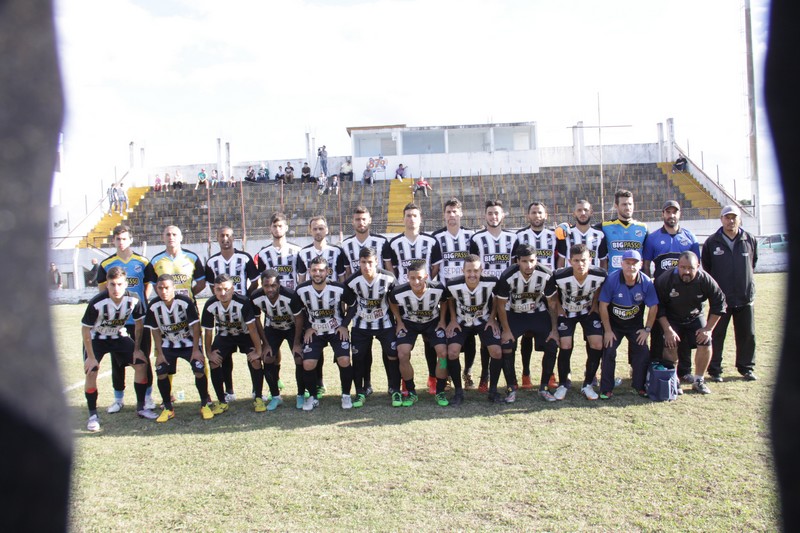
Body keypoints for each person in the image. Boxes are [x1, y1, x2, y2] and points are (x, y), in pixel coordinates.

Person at [81, 266, 156, 431]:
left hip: (117, 335)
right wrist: (91, 357)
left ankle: (141, 407)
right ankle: (93, 415)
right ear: (107, 284)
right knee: (92, 370)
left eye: (120, 284)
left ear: (126, 283)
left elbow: (138, 325)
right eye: (112, 284)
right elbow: (86, 329)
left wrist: (136, 349)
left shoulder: (134, 299)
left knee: (141, 363)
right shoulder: (97, 302)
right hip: (96, 338)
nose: (116, 288)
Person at [145, 274, 221, 422]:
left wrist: (196, 350)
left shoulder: (185, 302)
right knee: (161, 371)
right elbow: (155, 331)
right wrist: (159, 353)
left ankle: (205, 404)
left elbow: (195, 326)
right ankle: (168, 408)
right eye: (160, 288)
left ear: (173, 288)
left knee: (199, 369)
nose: (163, 291)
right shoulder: (153, 306)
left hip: (189, 343)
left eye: (167, 287)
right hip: (168, 344)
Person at [96, 224, 155, 413]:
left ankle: (147, 396)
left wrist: (140, 305)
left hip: (139, 319)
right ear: (113, 240)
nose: (121, 242)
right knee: (117, 360)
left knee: (143, 358)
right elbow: (102, 291)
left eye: (124, 239)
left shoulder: (142, 262)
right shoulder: (106, 264)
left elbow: (148, 286)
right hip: (117, 321)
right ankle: (118, 399)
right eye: (117, 239)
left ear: (130, 239)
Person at [642, 200, 701, 381]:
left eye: (674, 212)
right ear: (663, 215)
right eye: (668, 212)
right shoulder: (652, 238)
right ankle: (655, 366)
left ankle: (684, 370)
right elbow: (645, 265)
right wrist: (649, 287)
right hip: (662, 292)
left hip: (685, 292)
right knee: (660, 332)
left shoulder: (690, 237)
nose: (671, 215)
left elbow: (697, 266)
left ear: (679, 214)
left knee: (682, 330)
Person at [494, 244, 560, 402]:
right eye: (524, 261)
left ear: (536, 259)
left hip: (536, 313)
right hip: (514, 313)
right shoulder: (508, 275)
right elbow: (501, 305)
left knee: (552, 343)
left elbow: (552, 303)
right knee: (506, 344)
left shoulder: (546, 274)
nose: (529, 265)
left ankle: (544, 387)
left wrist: (554, 329)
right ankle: (511, 387)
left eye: (532, 260)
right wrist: (506, 330)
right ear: (518, 261)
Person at [656, 252, 727, 395]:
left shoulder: (705, 280)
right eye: (683, 267)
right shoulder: (666, 279)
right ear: (677, 266)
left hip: (695, 316)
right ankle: (673, 379)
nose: (686, 271)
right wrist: (668, 330)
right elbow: (658, 308)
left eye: (691, 268)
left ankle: (699, 380)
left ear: (698, 266)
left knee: (706, 341)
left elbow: (719, 304)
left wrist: (708, 329)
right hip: (671, 318)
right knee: (670, 342)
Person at [701, 205, 759, 382]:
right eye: (727, 217)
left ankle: (746, 368)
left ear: (739, 219)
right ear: (721, 219)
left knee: (747, 335)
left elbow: (753, 262)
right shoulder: (712, 242)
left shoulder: (749, 239)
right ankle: (715, 369)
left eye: (734, 217)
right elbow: (707, 268)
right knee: (717, 335)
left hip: (744, 296)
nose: (731, 220)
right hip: (721, 300)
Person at [544, 243, 607, 401]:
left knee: (597, 344)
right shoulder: (559, 275)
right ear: (570, 261)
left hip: (587, 312)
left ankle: (587, 384)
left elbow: (601, 288)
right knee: (565, 344)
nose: (581, 264)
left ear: (590, 260)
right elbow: (552, 294)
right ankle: (563, 384)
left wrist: (594, 305)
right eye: (576, 260)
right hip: (567, 312)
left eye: (584, 260)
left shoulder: (600, 274)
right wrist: (558, 307)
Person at [205, 226, 260, 401]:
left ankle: (256, 392)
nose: (225, 238)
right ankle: (229, 392)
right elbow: (209, 285)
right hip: (224, 326)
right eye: (221, 236)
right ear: (217, 238)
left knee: (254, 357)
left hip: (243, 315)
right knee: (223, 357)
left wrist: (245, 298)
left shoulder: (244, 258)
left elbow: (254, 282)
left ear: (233, 238)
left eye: (228, 235)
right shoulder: (212, 262)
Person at [469, 199, 517, 391]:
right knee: (486, 338)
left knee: (505, 336)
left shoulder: (513, 238)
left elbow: (515, 265)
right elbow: (473, 267)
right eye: (490, 213)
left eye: (497, 213)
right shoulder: (477, 239)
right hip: (485, 296)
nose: (493, 217)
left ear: (502, 215)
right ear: (485, 215)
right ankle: (484, 377)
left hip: (507, 295)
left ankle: (510, 378)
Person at [295, 256, 354, 410]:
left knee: (344, 360)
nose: (318, 273)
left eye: (321, 270)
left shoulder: (339, 288)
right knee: (308, 363)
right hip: (315, 331)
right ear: (309, 271)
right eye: (314, 270)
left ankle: (346, 395)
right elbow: (300, 311)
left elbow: (353, 305)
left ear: (328, 271)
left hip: (335, 330)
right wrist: (307, 327)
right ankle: (313, 397)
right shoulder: (301, 290)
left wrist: (344, 325)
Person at [597, 250, 659, 399]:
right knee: (609, 350)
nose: (631, 266)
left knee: (642, 351)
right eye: (627, 263)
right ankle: (606, 388)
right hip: (614, 325)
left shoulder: (646, 282)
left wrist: (647, 330)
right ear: (622, 264)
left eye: (634, 263)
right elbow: (603, 305)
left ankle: (639, 386)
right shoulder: (612, 280)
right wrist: (607, 331)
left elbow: (654, 307)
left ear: (641, 264)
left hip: (635, 325)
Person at [443, 255, 503, 404]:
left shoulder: (491, 282)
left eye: (476, 270)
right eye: (468, 271)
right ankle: (458, 391)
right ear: (463, 270)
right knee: (452, 352)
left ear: (481, 270)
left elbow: (497, 298)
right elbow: (449, 299)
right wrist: (452, 319)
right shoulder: (452, 283)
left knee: (496, 351)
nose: (472, 274)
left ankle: (493, 391)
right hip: (462, 322)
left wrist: (492, 318)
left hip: (484, 321)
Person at [201, 273, 266, 412]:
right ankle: (222, 401)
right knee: (214, 361)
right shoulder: (210, 304)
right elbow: (208, 332)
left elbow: (252, 328)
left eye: (226, 289)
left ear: (233, 289)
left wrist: (258, 351)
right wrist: (208, 353)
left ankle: (258, 397)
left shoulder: (243, 302)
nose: (223, 293)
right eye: (218, 289)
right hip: (225, 335)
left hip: (244, 334)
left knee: (255, 360)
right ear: (214, 290)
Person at [342, 247, 398, 408]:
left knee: (393, 353)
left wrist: (399, 322)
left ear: (377, 262)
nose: (366, 266)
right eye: (363, 262)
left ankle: (394, 388)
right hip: (361, 325)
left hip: (385, 324)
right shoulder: (352, 281)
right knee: (359, 357)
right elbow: (347, 302)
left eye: (370, 262)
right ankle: (360, 391)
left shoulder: (388, 278)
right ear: (359, 262)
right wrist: (344, 325)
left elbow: (394, 301)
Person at [389, 260, 450, 407]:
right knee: (402, 353)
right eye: (412, 278)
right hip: (409, 323)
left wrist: (442, 321)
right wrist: (399, 321)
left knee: (442, 354)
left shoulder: (438, 288)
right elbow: (392, 302)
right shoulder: (399, 291)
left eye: (420, 278)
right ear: (407, 277)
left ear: (426, 276)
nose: (416, 281)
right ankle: (411, 391)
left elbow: (445, 301)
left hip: (432, 322)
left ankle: (440, 390)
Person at [512, 201, 559, 389]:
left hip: (548, 288)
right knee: (526, 335)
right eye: (533, 212)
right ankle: (525, 373)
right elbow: (514, 262)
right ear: (528, 216)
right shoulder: (520, 236)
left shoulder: (555, 235)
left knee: (552, 333)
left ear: (545, 215)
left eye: (540, 212)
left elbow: (560, 259)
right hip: (526, 289)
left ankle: (551, 373)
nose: (537, 215)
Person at [431, 198, 475, 388]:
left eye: (455, 211)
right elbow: (434, 268)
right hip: (444, 297)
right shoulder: (436, 237)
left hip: (466, 295)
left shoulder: (471, 236)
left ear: (461, 213)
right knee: (441, 339)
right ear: (444, 215)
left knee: (470, 336)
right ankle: (443, 374)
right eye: (448, 212)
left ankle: (468, 372)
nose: (451, 215)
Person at [251, 269, 305, 410]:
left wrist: (297, 343)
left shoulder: (290, 295)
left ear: (279, 285)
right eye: (266, 286)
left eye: (273, 285)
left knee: (299, 357)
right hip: (273, 328)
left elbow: (299, 319)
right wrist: (266, 344)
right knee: (267, 357)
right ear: (261, 285)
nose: (270, 289)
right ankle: (275, 396)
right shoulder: (256, 297)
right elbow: (257, 320)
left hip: (292, 327)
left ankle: (300, 394)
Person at [145, 225, 206, 302]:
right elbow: (154, 285)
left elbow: (201, 284)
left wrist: (188, 295)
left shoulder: (192, 258)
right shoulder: (155, 260)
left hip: (188, 305)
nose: (171, 237)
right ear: (163, 238)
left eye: (174, 234)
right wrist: (165, 297)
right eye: (168, 234)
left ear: (181, 238)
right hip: (166, 305)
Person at [600, 189, 647, 274]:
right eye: (624, 204)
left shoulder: (643, 228)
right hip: (614, 279)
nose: (628, 207)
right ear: (616, 206)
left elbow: (647, 260)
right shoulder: (605, 227)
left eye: (630, 204)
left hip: (635, 279)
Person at [256, 212, 302, 291]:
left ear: (286, 228)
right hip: (272, 296)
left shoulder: (297, 251)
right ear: (270, 228)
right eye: (274, 226)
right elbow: (261, 279)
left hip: (292, 296)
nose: (277, 229)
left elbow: (302, 276)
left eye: (280, 226)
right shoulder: (263, 254)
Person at [555, 199, 607, 269]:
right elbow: (561, 260)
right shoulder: (566, 233)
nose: (583, 213)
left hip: (594, 277)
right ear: (574, 214)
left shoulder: (600, 234)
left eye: (586, 210)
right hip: (571, 277)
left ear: (591, 212)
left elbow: (603, 260)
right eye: (579, 210)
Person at [340, 206, 390, 278]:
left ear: (369, 220)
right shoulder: (345, 245)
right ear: (352, 222)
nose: (361, 222)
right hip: (357, 287)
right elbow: (348, 272)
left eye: (364, 219)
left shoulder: (381, 241)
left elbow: (389, 268)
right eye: (357, 219)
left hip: (378, 285)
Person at [296, 216, 346, 284]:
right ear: (310, 231)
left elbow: (342, 278)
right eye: (315, 229)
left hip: (332, 293)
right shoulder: (303, 253)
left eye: (321, 228)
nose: (318, 232)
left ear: (327, 230)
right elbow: (301, 280)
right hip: (311, 293)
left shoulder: (337, 251)